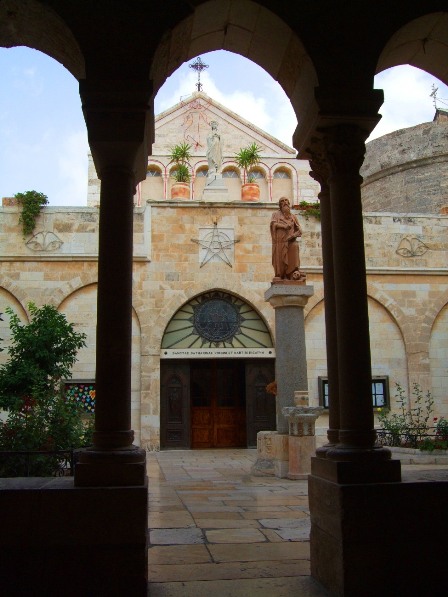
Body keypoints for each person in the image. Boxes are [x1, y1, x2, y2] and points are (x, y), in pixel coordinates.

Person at [270, 197, 306, 281]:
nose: (285, 202)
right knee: (280, 256)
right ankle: (281, 275)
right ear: (280, 205)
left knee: (295, 246)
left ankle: (292, 273)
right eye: (282, 201)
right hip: (280, 241)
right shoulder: (276, 214)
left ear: (289, 203)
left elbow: (299, 230)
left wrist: (293, 235)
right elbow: (273, 224)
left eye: (286, 200)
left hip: (291, 241)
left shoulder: (293, 217)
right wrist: (284, 226)